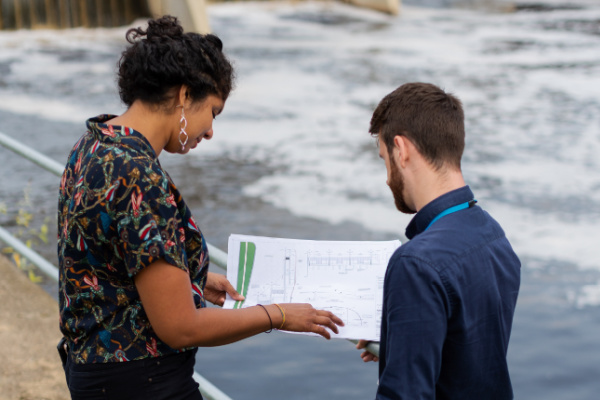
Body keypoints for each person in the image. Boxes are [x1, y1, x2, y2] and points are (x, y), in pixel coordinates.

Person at [57, 15, 343, 400]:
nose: (210, 131)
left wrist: (186, 275)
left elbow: (100, 256)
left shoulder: (92, 145)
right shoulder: (137, 174)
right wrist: (278, 315)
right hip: (143, 382)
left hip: (91, 371)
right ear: (184, 94)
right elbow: (181, 328)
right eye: (213, 112)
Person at [356, 82, 521, 399]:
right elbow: (471, 354)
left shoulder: (416, 263)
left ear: (401, 150)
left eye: (384, 158)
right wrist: (402, 341)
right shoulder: (494, 237)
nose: (387, 176)